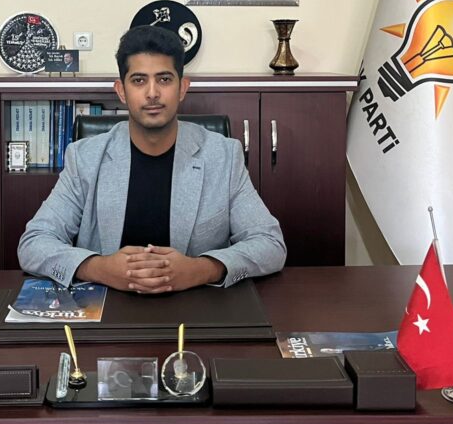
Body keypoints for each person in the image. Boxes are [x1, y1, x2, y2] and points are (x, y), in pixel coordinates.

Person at [18, 26, 286, 292]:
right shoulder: (85, 158)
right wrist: (99, 268)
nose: (152, 93)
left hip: (197, 306)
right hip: (109, 306)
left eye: (164, 79)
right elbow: (34, 243)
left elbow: (270, 244)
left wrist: (201, 269)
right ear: (121, 91)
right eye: (138, 80)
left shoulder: (223, 156)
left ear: (182, 88)